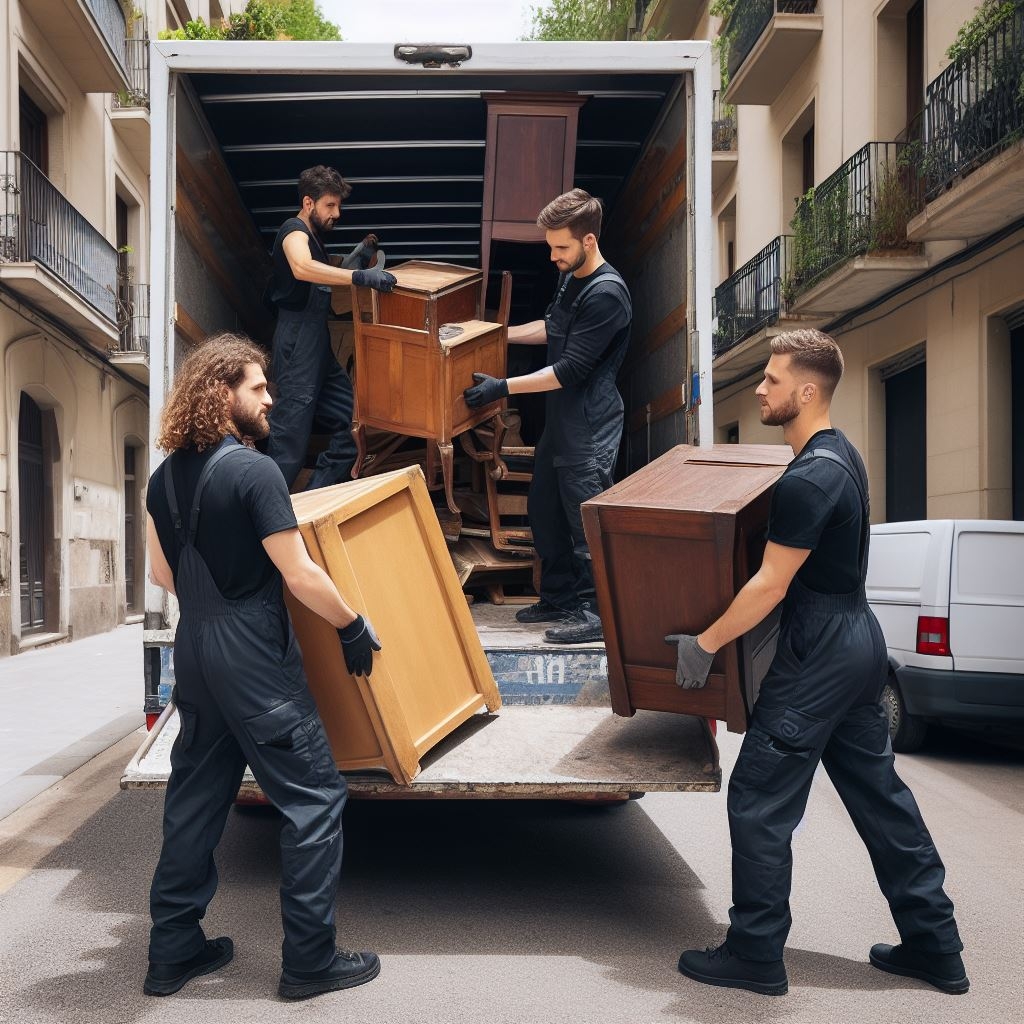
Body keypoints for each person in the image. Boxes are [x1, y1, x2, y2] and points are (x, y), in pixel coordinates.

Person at [668, 330, 967, 997]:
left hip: (822, 651)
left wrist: (705, 643)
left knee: (758, 798)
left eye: (772, 380)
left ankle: (753, 953)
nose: (761, 389)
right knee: (881, 799)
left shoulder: (810, 476)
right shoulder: (842, 458)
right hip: (858, 639)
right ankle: (935, 946)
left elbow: (771, 584)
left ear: (807, 391)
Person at [144, 335, 382, 1001]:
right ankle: (309, 962)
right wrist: (352, 624)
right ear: (222, 394)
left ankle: (173, 952)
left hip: (195, 649)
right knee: (313, 798)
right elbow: (299, 573)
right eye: (258, 386)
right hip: (250, 652)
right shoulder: (254, 472)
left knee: (194, 797)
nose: (271, 396)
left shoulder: (164, 480)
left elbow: (161, 574)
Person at [464, 188, 631, 644]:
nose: (553, 256)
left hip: (589, 424)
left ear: (589, 241)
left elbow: (569, 369)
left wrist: (502, 387)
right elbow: (549, 327)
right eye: (551, 246)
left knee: (584, 522)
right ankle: (559, 597)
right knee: (546, 513)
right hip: (561, 422)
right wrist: (494, 335)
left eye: (561, 248)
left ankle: (597, 612)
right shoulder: (571, 277)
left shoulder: (607, 295)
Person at [266, 165, 396, 490]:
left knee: (355, 426)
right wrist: (359, 277)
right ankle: (262, 523)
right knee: (288, 447)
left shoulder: (314, 239)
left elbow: (323, 275)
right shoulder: (294, 231)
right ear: (309, 203)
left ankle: (311, 503)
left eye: (339, 206)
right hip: (297, 346)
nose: (337, 213)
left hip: (319, 351)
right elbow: (302, 268)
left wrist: (359, 257)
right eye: (330, 206)